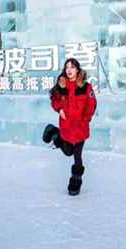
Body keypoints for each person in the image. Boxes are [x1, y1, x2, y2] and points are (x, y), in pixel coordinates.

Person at [42, 58, 97, 196]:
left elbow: (92, 104)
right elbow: (53, 98)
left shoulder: (85, 87)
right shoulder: (61, 85)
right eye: (67, 67)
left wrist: (85, 119)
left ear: (77, 69)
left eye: (72, 67)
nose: (69, 70)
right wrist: (59, 109)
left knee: (77, 156)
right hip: (66, 126)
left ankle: (75, 182)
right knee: (68, 152)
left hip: (80, 128)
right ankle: (55, 132)